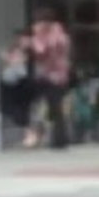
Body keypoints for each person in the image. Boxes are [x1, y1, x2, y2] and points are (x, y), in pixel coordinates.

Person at [25, 9, 71, 150]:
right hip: (54, 76)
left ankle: (52, 138)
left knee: (50, 107)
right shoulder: (60, 34)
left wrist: (34, 40)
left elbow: (42, 51)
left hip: (53, 77)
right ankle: (58, 139)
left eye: (39, 23)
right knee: (53, 108)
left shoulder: (53, 36)